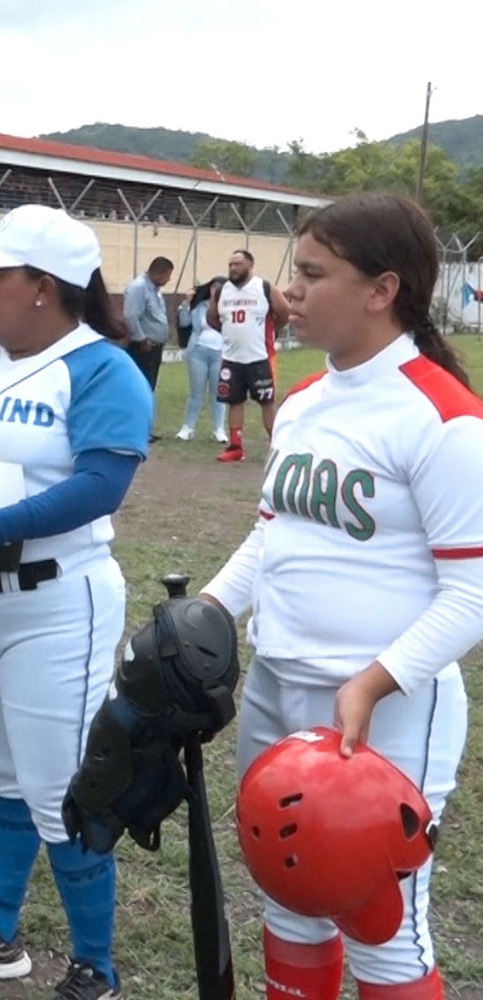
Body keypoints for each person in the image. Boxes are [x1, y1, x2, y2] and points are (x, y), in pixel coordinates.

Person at [200, 192, 483, 1000]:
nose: (292, 291)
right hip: (277, 684)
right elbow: (272, 536)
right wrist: (210, 611)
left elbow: (473, 592)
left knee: (381, 929)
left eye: (313, 274)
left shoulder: (443, 419)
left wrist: (368, 682)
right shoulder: (303, 403)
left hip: (382, 710)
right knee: (291, 902)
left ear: (381, 289)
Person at [0, 204, 152, 1000]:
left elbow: (101, 483)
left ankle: (96, 967)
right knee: (2, 774)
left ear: (44, 287)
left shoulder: (100, 366)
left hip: (57, 603)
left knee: (60, 789)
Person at [209, 248, 290, 462]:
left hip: (259, 357)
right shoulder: (222, 290)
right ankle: (235, 446)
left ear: (250, 265)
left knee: (267, 400)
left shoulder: (263, 287)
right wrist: (229, 333)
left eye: (238, 264)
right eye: (231, 265)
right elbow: (212, 319)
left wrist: (271, 331)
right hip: (231, 358)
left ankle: (277, 446)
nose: (233, 268)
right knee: (234, 400)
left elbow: (285, 311)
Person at [174, 277, 229, 443]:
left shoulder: (228, 308)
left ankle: (219, 429)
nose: (215, 291)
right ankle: (187, 428)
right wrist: (186, 303)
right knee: (196, 392)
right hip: (198, 351)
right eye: (213, 287)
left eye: (220, 288)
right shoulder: (200, 306)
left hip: (220, 353)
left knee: (218, 392)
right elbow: (184, 323)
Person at [123, 256, 173, 398]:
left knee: (149, 385)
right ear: (159, 273)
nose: (168, 280)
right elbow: (130, 315)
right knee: (140, 386)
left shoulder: (155, 289)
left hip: (154, 347)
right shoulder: (139, 287)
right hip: (143, 347)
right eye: (167, 276)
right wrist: (141, 339)